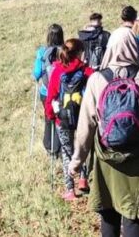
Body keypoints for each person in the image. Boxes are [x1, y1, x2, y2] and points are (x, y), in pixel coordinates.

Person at [69, 28, 139, 237]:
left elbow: (85, 128)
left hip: (106, 160)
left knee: (108, 212)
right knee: (135, 214)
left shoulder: (96, 80)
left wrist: (77, 161)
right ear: (134, 47)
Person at [45, 39, 95, 200]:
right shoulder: (86, 70)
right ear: (79, 52)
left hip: (63, 119)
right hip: (82, 116)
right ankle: (83, 179)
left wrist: (51, 115)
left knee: (67, 152)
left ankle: (69, 189)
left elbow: (51, 96)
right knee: (83, 147)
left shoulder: (57, 71)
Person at [32, 24, 65, 155]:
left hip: (46, 92)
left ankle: (49, 146)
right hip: (62, 92)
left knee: (49, 117)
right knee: (60, 117)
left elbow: (37, 73)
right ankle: (59, 145)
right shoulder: (65, 50)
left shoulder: (42, 52)